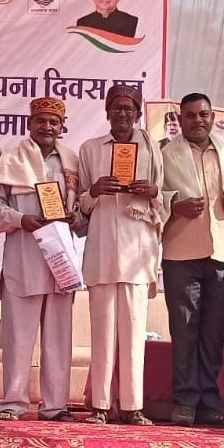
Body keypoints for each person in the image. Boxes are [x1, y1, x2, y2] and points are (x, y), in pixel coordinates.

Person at [159, 93, 224, 428]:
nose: (197, 121)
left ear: (212, 117)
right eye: (190, 115)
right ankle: (185, 400)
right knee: (184, 329)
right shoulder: (166, 155)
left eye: (203, 115)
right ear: (180, 119)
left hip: (220, 254)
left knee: (213, 332)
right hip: (180, 254)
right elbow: (153, 197)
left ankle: (209, 402)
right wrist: (175, 205)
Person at [0, 97, 83, 422]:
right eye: (41, 120)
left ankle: (55, 406)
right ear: (30, 123)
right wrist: (20, 219)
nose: (47, 127)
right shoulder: (11, 158)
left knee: (58, 339)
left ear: (61, 126)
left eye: (53, 122)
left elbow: (82, 212)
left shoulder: (71, 161)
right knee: (17, 337)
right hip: (24, 258)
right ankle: (13, 403)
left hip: (61, 262)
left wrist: (76, 218)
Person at [76, 84, 163, 425]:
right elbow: (80, 205)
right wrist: (94, 191)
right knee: (102, 333)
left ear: (138, 114)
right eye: (117, 108)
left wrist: (153, 191)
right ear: (107, 112)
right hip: (101, 253)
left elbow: (164, 197)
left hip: (138, 255)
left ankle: (132, 407)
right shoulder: (90, 149)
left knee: (134, 335)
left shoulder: (152, 149)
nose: (123, 114)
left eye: (129, 109)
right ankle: (99, 406)